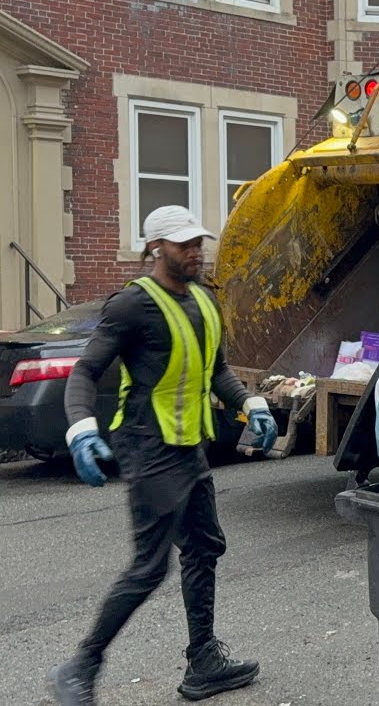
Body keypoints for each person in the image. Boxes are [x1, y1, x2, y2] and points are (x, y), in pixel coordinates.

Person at [48, 205, 278, 705]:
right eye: (183, 244)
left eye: (198, 242)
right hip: (148, 449)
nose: (195, 251)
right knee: (150, 566)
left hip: (190, 447)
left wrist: (251, 404)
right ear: (155, 248)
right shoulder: (132, 306)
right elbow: (85, 373)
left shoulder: (204, 301)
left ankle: (203, 663)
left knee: (204, 547)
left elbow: (216, 371)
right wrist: (82, 430)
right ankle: (79, 666)